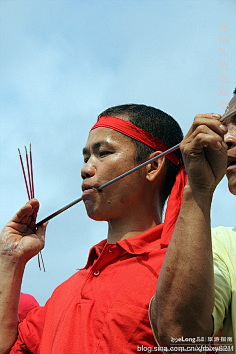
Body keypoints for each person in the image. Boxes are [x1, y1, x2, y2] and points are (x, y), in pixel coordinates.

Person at [0, 104, 186, 353]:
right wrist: (11, 260)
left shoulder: (182, 273)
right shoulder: (65, 292)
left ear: (152, 167)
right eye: (86, 157)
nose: (86, 168)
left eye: (104, 153)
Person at [149, 90, 236, 353]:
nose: (228, 138)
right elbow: (179, 337)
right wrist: (198, 189)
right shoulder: (223, 246)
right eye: (226, 127)